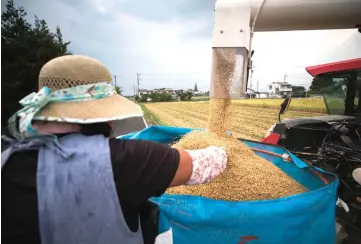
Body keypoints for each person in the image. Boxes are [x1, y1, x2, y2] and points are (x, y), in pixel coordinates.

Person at [1, 55, 228, 244]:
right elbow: (206, 163)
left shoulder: (8, 156)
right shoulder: (123, 161)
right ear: (105, 115)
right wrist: (224, 147)